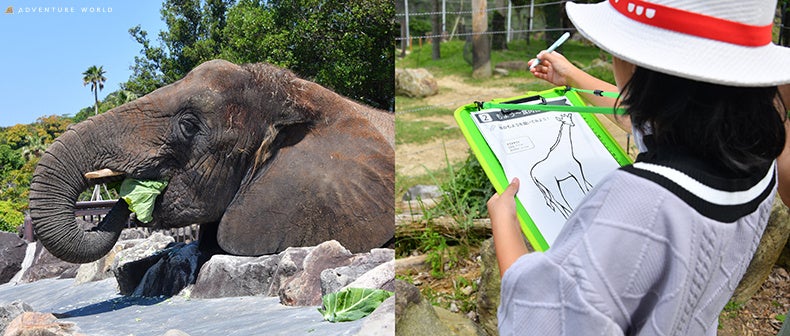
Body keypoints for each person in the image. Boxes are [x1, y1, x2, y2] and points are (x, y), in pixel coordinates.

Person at [487, 0, 790, 335]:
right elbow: (642, 116)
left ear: (639, 64)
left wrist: (505, 224)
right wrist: (571, 76)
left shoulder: (638, 200)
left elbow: (542, 323)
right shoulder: (755, 158)